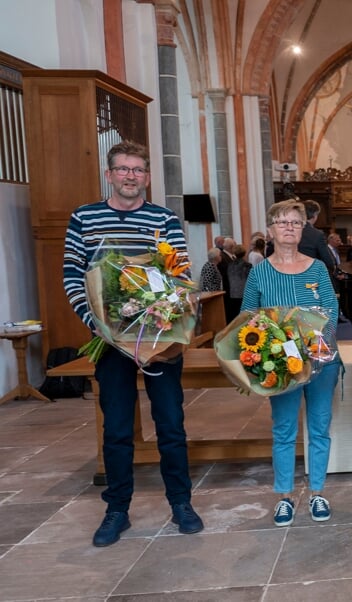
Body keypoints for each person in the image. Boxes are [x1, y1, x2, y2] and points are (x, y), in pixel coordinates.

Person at [63, 140, 203, 547]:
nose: (130, 176)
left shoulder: (164, 219)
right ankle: (117, 509)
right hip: (109, 341)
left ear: (147, 176)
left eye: (138, 169)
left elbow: (178, 274)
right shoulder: (84, 218)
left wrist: (166, 314)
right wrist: (98, 324)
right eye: (123, 169)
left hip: (159, 338)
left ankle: (181, 502)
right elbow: (73, 275)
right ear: (109, 174)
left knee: (171, 425)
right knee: (118, 428)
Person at [242, 199, 341, 527]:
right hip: (281, 367)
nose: (289, 227)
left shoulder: (317, 268)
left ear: (303, 229)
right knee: (283, 429)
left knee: (319, 428)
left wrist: (311, 347)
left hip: (319, 363)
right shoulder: (260, 273)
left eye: (295, 223)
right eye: (282, 222)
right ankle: (284, 496)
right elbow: (248, 318)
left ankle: (317, 492)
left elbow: (330, 312)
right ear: (270, 230)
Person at [298, 200, 336, 276]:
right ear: (315, 215)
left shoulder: (291, 230)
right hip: (310, 276)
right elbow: (328, 261)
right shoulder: (317, 234)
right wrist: (333, 267)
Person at [224, 243, 250, 321]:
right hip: (244, 293)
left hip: (232, 293)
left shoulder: (229, 265)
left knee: (234, 316)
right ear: (244, 253)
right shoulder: (247, 266)